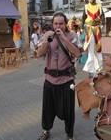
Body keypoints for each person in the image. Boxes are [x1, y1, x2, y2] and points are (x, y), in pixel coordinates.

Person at [36, 12, 82, 140]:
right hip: (49, 79)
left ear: (65, 24)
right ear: (52, 24)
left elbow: (78, 53)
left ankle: (70, 134)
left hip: (66, 80)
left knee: (68, 110)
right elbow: (39, 53)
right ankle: (46, 130)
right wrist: (47, 41)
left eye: (61, 23)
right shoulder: (47, 35)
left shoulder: (72, 36)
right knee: (47, 109)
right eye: (55, 23)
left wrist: (64, 39)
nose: (58, 26)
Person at [82, 0, 105, 74]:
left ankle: (99, 67)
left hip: (97, 28)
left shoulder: (99, 6)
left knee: (98, 48)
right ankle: (90, 68)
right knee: (91, 48)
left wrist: (103, 23)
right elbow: (83, 17)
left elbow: (103, 16)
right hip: (89, 29)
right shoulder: (86, 6)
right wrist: (82, 27)